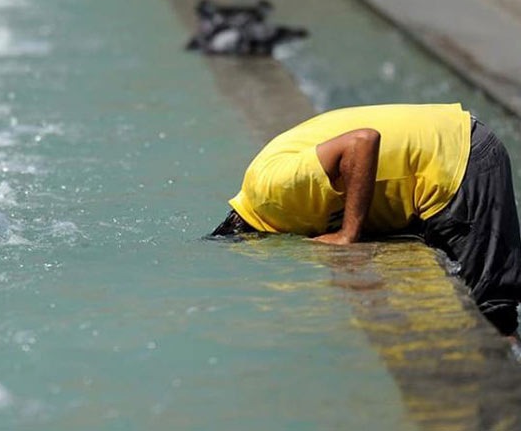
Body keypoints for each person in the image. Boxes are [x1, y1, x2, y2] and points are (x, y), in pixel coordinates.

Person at [212, 103, 521, 336]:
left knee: (491, 317)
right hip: (447, 152)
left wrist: (348, 233)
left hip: (457, 162)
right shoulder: (265, 192)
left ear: (251, 238)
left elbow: (363, 141)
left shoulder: (271, 194)